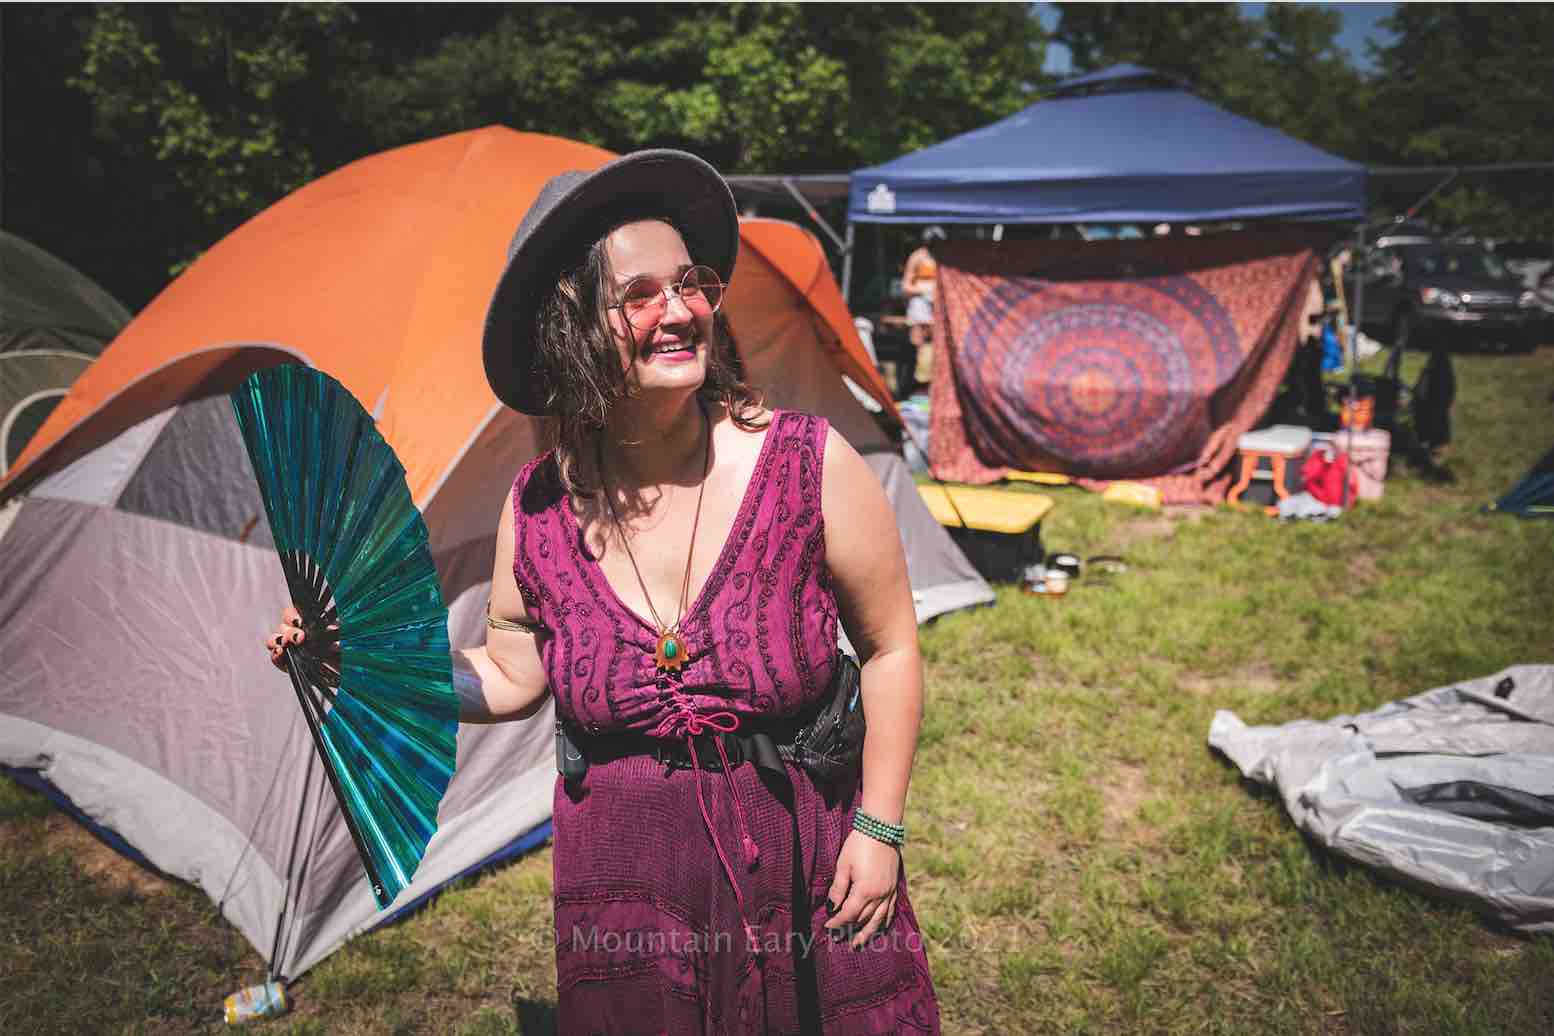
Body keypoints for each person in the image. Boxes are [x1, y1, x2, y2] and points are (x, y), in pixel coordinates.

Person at [268, 150, 939, 1034]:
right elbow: (511, 676)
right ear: (572, 327)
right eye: (639, 294)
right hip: (628, 882)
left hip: (805, 857)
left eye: (691, 283)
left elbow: (891, 647)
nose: (681, 311)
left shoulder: (809, 465)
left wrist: (880, 829)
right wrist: (369, 658)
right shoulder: (537, 509)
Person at [900, 227, 944, 388]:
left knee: (937, 345)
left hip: (938, 305)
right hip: (920, 304)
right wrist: (924, 290)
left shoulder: (943, 257)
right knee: (917, 343)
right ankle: (912, 384)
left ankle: (932, 384)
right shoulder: (917, 257)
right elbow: (906, 286)